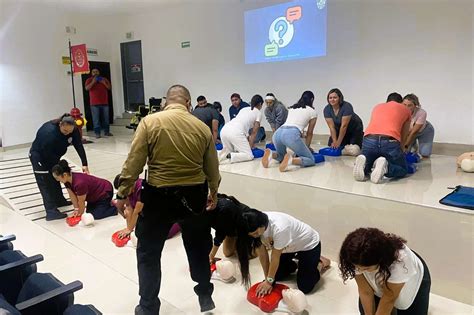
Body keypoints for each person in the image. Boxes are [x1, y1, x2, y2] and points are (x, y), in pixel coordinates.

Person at [114, 85, 220, 314]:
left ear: (165, 103)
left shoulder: (150, 123)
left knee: (148, 253)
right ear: (189, 104)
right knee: (199, 247)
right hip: (193, 197)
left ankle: (148, 306)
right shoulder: (201, 128)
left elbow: (134, 163)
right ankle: (204, 293)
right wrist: (214, 192)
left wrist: (122, 193)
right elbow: (212, 167)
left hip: (158, 197)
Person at [236, 210, 331, 295]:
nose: (254, 236)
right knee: (275, 275)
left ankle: (320, 263)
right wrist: (268, 280)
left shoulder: (280, 228)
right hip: (288, 247)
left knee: (305, 287)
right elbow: (263, 255)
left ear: (262, 225)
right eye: (252, 235)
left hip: (308, 245)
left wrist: (269, 282)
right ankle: (299, 261)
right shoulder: (253, 224)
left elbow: (274, 257)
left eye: (256, 233)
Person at [339, 228, 431, 315]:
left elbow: (389, 298)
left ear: (380, 261)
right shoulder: (353, 255)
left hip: (412, 275)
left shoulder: (401, 263)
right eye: (357, 267)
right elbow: (365, 291)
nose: (359, 270)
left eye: (366, 269)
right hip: (378, 268)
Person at [29, 114, 89, 221]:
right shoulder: (48, 133)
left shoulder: (72, 129)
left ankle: (59, 200)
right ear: (60, 125)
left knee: (56, 178)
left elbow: (78, 145)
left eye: (70, 132)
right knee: (46, 183)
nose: (67, 134)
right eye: (65, 131)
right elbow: (46, 154)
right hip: (39, 157)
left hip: (54, 156)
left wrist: (84, 164)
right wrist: (53, 170)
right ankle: (51, 211)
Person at [353, 93, 411, 184]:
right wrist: (402, 147)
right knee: (403, 169)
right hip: (389, 141)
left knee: (370, 159)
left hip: (368, 139)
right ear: (400, 102)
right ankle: (386, 168)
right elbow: (405, 132)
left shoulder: (377, 107)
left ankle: (364, 167)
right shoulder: (405, 109)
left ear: (387, 101)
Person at [262, 91, 317, 172]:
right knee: (310, 159)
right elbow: (309, 133)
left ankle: (271, 154)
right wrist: (307, 148)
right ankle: (291, 160)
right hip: (290, 135)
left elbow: (292, 124)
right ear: (312, 99)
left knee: (281, 157)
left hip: (278, 133)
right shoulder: (312, 111)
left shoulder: (292, 108)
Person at [52, 160, 117, 219]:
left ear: (65, 175)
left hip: (104, 191)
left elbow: (81, 201)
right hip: (94, 196)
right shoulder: (67, 181)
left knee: (95, 215)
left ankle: (116, 208)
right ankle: (108, 203)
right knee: (89, 212)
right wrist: (76, 210)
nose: (57, 180)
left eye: (57, 178)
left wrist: (80, 215)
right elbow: (72, 196)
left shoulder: (79, 183)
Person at [219, 95, 264, 164]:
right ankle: (231, 156)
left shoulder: (244, 109)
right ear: (260, 104)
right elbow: (254, 132)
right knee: (249, 155)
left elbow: (243, 124)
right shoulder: (258, 113)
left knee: (226, 151)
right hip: (236, 132)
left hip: (224, 130)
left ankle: (218, 155)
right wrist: (251, 146)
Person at [207, 194, 252, 263]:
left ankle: (258, 243)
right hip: (230, 228)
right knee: (227, 253)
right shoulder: (202, 210)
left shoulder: (223, 208)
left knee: (244, 255)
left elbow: (220, 233)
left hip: (246, 225)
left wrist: (211, 255)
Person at [402, 94, 435, 158]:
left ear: (415, 106)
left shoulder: (422, 113)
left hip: (424, 131)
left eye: (410, 105)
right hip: (409, 132)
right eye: (404, 105)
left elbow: (413, 132)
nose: (406, 107)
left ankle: (416, 145)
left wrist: (405, 146)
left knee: (425, 153)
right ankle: (414, 145)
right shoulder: (399, 112)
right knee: (406, 152)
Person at [85, 68, 112, 138]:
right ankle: (97, 133)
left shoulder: (104, 79)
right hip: (94, 104)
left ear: (99, 72)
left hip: (105, 103)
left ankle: (107, 132)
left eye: (97, 71)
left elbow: (109, 88)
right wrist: (93, 82)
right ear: (91, 73)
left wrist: (104, 83)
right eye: (93, 72)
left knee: (106, 119)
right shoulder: (89, 80)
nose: (95, 73)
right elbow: (87, 88)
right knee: (96, 119)